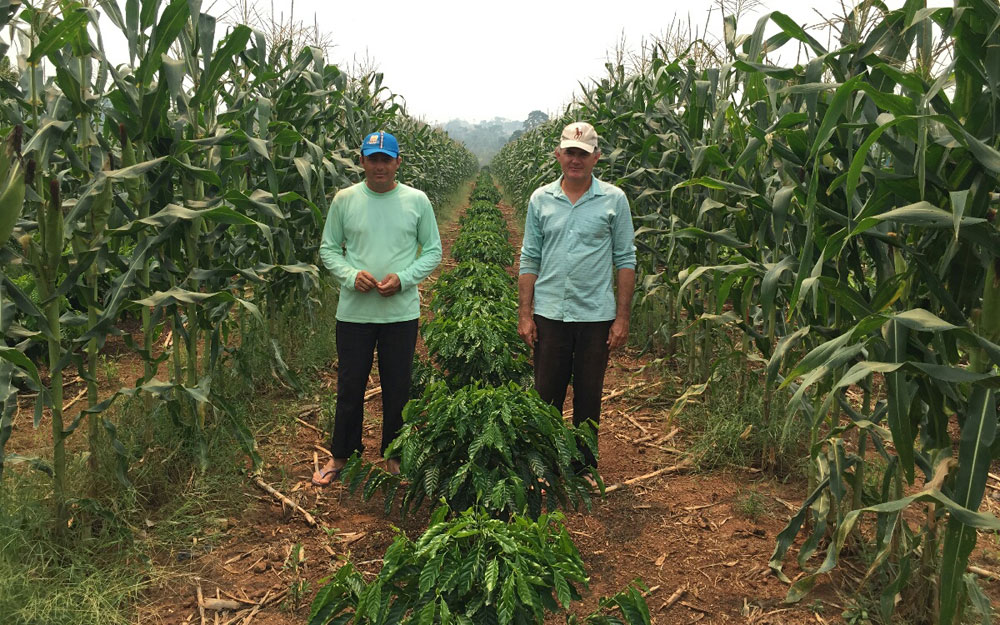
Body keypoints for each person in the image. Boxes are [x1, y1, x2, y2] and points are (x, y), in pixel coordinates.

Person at [312, 131, 442, 486]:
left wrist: (403, 278)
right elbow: (328, 249)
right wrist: (351, 275)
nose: (380, 166)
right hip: (354, 313)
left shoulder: (417, 201)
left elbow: (432, 250)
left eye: (387, 159)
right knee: (350, 386)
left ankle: (395, 457)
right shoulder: (345, 200)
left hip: (400, 314)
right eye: (373, 159)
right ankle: (341, 457)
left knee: (397, 386)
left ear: (398, 162)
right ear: (362, 161)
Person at [516, 121, 636, 482]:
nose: (575, 159)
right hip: (550, 312)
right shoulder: (541, 199)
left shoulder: (613, 199)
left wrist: (622, 318)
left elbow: (625, 260)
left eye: (583, 154)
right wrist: (525, 314)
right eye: (570, 151)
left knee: (588, 394)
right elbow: (529, 259)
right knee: (546, 393)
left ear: (596, 157)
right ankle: (546, 462)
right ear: (558, 154)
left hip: (595, 315)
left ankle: (583, 465)